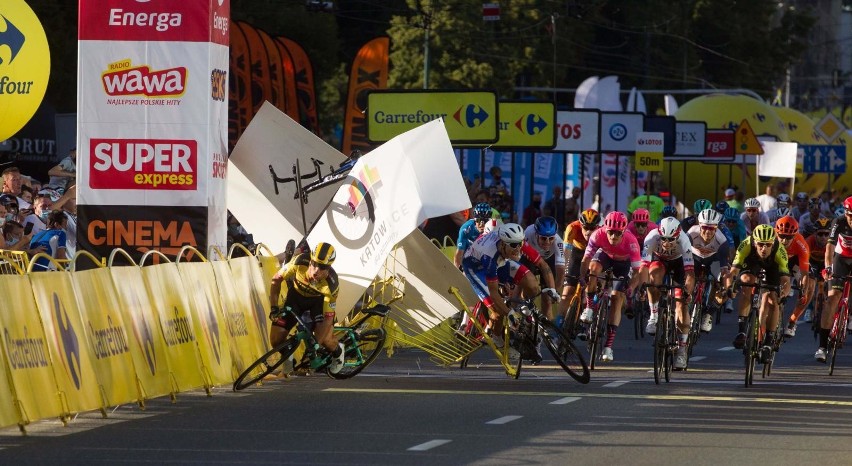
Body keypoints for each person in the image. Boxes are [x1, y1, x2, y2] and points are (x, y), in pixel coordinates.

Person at [462, 223, 557, 360]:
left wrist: (552, 289)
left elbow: (543, 265)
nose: (518, 248)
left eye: (520, 244)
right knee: (498, 311)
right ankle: (497, 340)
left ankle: (522, 312)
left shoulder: (515, 241)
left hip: (501, 259)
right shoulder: (489, 256)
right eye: (513, 245)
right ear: (503, 244)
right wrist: (509, 313)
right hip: (476, 267)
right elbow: (494, 293)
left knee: (532, 285)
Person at [268, 242, 345, 374]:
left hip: (318, 304)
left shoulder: (331, 285)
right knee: (276, 340)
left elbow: (327, 319)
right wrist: (274, 307)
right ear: (310, 260)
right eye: (314, 264)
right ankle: (288, 356)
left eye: (322, 267)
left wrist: (316, 345)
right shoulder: (299, 262)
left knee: (325, 340)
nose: (316, 270)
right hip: (295, 298)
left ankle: (338, 352)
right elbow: (276, 280)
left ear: (329, 268)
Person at [579, 211, 644, 363]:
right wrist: (583, 278)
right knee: (593, 270)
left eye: (617, 233)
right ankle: (589, 308)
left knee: (617, 298)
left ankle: (608, 347)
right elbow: (586, 258)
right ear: (605, 230)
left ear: (623, 231)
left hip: (623, 264)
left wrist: (632, 288)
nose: (613, 237)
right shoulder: (597, 235)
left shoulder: (631, 241)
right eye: (610, 233)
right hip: (606, 257)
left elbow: (637, 272)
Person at [726, 225, 791, 364]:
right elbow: (733, 272)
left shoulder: (780, 250)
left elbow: (785, 280)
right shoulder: (746, 245)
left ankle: (768, 343)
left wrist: (783, 293)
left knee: (774, 298)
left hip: (772, 266)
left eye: (768, 245)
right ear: (754, 242)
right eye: (760, 244)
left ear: (772, 243)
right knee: (746, 282)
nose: (764, 248)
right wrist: (729, 287)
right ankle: (742, 331)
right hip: (751, 262)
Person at [641, 217, 696, 370]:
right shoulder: (651, 236)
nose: (666, 243)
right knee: (653, 276)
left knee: (681, 303)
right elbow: (643, 267)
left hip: (679, 264)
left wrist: (687, 292)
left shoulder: (684, 241)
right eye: (663, 238)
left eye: (670, 239)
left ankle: (682, 349)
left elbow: (690, 273)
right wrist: (642, 285)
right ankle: (654, 315)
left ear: (677, 236)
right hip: (660, 260)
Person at [815, 197, 852, 363]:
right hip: (841, 259)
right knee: (832, 298)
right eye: (849, 215)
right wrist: (828, 267)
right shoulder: (839, 221)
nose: (851, 219)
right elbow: (829, 247)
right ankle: (822, 347)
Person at [687, 209, 730, 334]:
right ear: (699, 225)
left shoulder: (722, 241)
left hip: (713, 261)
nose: (707, 231)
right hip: (694, 259)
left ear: (716, 227)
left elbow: (724, 270)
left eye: (712, 228)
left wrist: (725, 285)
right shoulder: (690, 234)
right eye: (705, 227)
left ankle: (709, 314)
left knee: (727, 284)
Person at [558, 209, 601, 327]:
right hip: (576, 254)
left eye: (592, 228)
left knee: (591, 287)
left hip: (593, 255)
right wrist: (564, 272)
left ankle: (590, 311)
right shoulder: (572, 228)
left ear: (597, 227)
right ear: (580, 224)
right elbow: (566, 252)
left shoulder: (602, 231)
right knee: (567, 292)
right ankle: (559, 325)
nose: (588, 232)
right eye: (585, 228)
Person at [774, 216, 813, 338]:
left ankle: (793, 321)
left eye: (789, 237)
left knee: (810, 285)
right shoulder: (770, 238)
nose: (784, 241)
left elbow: (805, 273)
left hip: (794, 263)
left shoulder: (801, 244)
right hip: (776, 261)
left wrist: (803, 292)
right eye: (782, 236)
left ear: (795, 235)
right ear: (776, 232)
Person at [523, 216, 565, 320]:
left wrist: (555, 291)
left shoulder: (558, 242)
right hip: (530, 257)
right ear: (536, 234)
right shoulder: (528, 233)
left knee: (548, 299)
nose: (547, 242)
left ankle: (547, 329)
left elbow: (561, 271)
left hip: (548, 259)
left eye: (551, 238)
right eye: (543, 238)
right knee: (528, 290)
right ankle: (527, 318)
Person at [454, 203, 492, 268]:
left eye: (485, 221)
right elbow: (459, 254)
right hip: (468, 259)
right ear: (474, 219)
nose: (481, 224)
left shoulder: (493, 228)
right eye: (478, 220)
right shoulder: (467, 228)